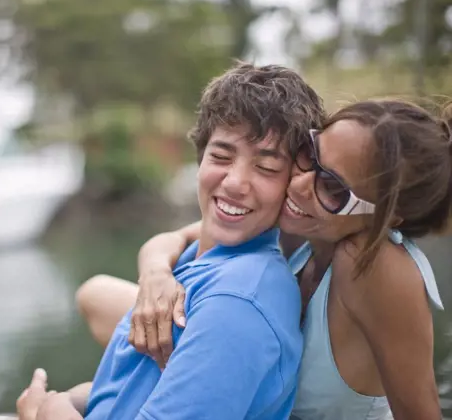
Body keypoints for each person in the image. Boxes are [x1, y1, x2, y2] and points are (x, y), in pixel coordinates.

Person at [77, 99, 452, 419]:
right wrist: (156, 277)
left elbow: (420, 413)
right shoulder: (300, 219)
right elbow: (174, 238)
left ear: (388, 217)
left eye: (333, 188)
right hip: (249, 381)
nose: (301, 184)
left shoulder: (376, 264)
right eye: (310, 155)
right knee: (95, 295)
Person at [16, 63, 326, 420]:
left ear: (293, 183)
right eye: (221, 157)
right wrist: (75, 400)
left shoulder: (239, 299)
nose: (235, 182)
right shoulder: (203, 261)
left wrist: (49, 411)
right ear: (200, 157)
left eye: (267, 168)